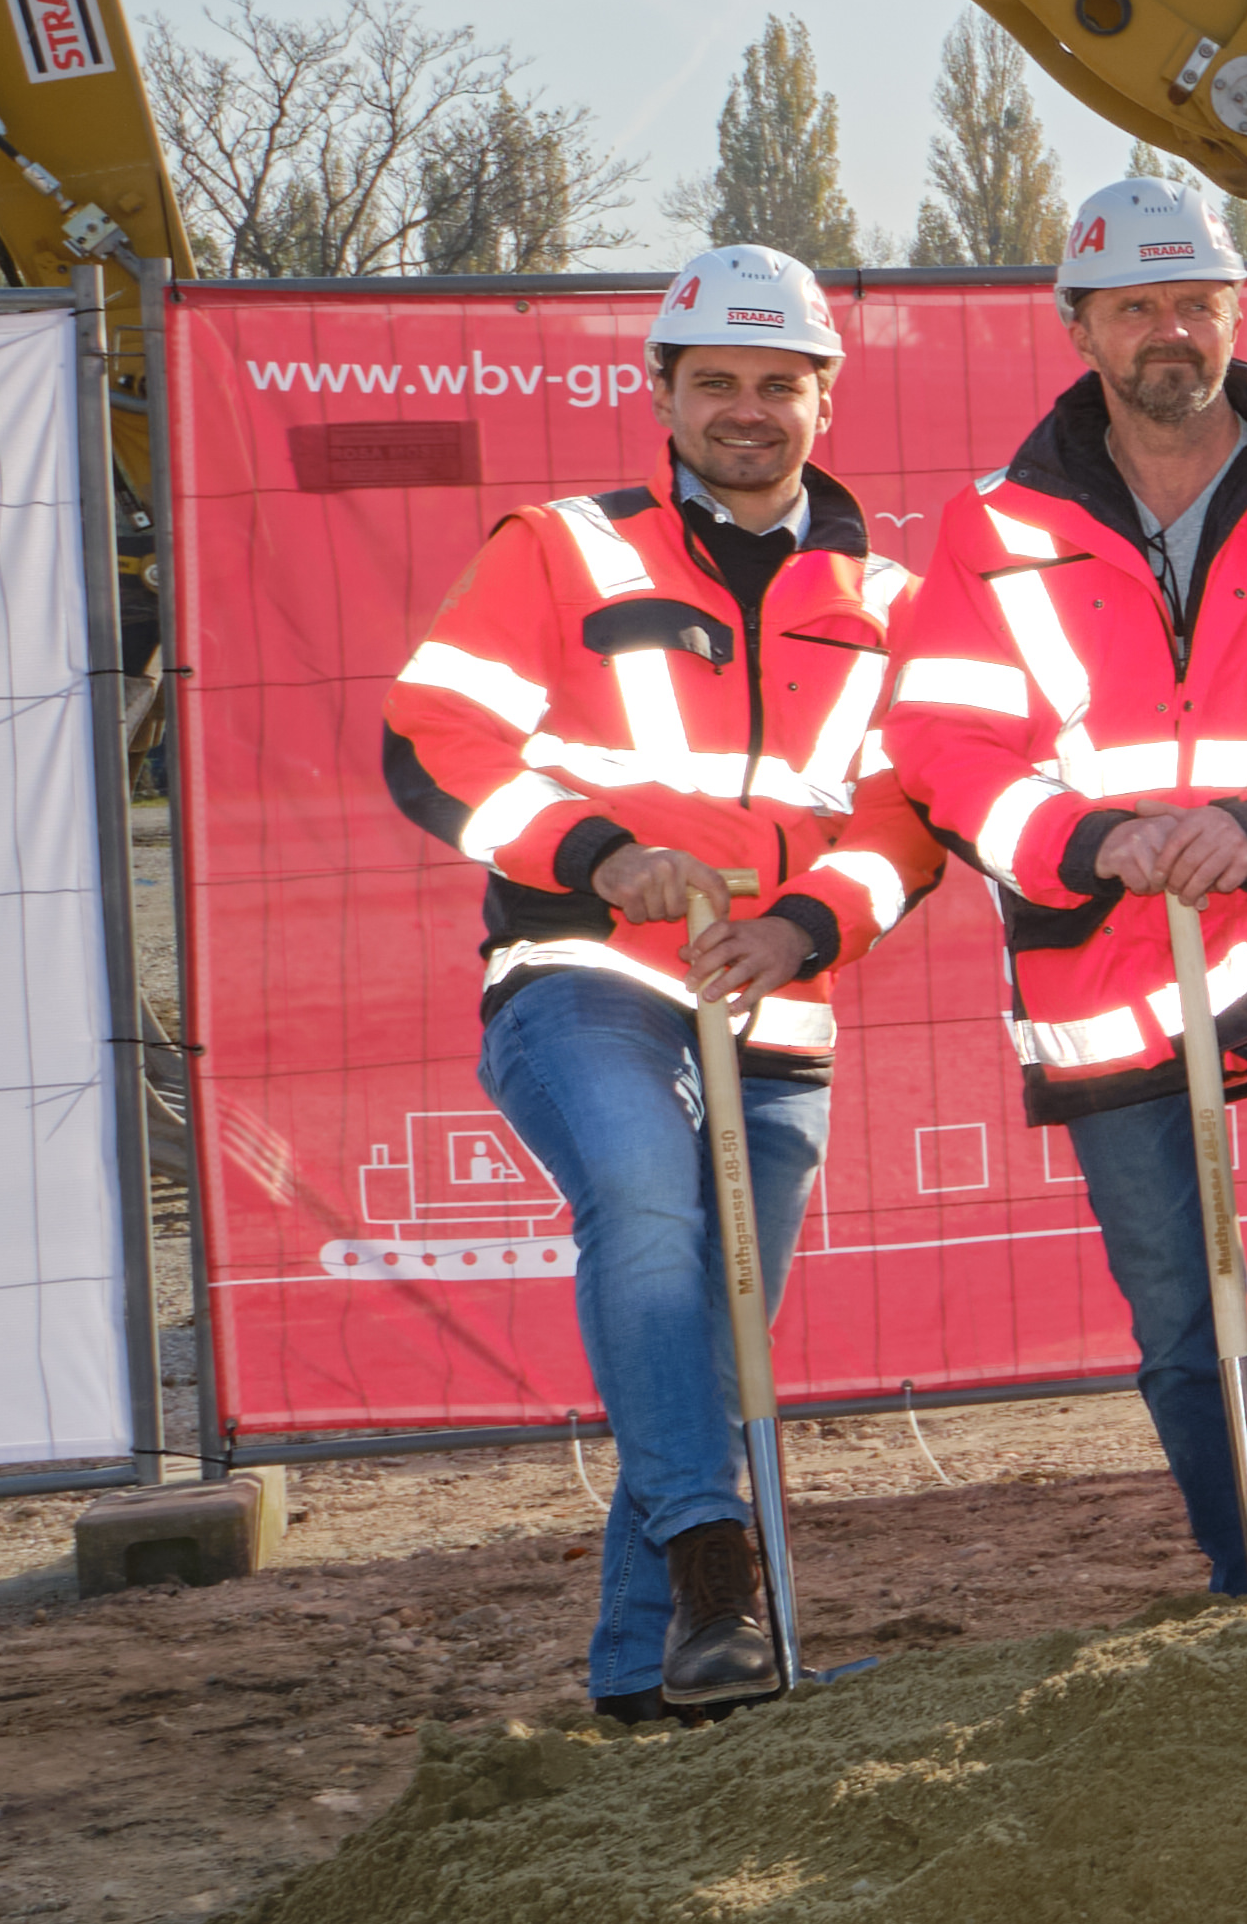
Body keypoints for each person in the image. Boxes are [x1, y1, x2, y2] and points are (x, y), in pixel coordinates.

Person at [381, 245, 948, 1718]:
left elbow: (911, 819)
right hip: (582, 972)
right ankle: (715, 1560)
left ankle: (658, 1672)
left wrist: (803, 928)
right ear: (663, 393)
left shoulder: (895, 598)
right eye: (717, 384)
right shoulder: (559, 550)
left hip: (778, 1003)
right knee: (642, 1205)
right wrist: (599, 854)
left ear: (824, 399)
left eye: (779, 384)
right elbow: (433, 740)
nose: (748, 410)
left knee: (708, 1335)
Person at [884, 174, 1247, 1594]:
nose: (1170, 331)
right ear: (1079, 327)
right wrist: (1091, 840)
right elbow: (943, 746)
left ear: (1236, 313)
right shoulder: (993, 525)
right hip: (1097, 948)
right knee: (1173, 1302)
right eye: (1136, 306)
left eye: (1196, 302)